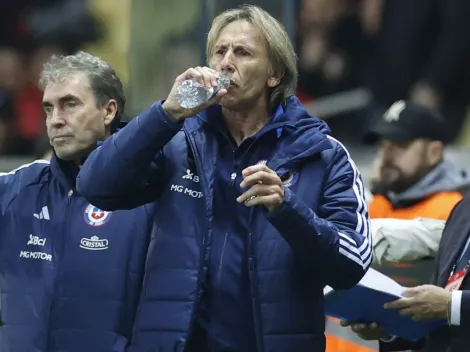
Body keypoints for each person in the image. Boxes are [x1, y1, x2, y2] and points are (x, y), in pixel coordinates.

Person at [77, 5, 372, 352]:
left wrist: (287, 209)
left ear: (274, 73)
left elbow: (351, 266)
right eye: (219, 51)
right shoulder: (176, 139)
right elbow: (95, 185)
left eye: (242, 52)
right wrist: (166, 113)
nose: (225, 63)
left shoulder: (323, 155)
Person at [0, 51, 154, 351]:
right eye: (48, 109)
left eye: (69, 104)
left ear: (108, 111)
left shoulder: (148, 194)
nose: (55, 121)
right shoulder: (17, 190)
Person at [342, 193, 470, 351]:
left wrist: (452, 305)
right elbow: (440, 316)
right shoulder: (463, 209)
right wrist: (392, 327)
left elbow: (446, 304)